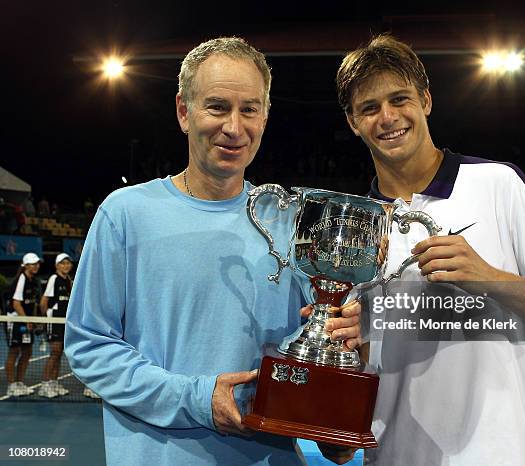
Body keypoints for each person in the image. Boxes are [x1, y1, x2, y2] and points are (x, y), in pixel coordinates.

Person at [64, 37, 360, 466]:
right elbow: (90, 346)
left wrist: (331, 411)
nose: (235, 127)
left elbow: (314, 344)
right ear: (184, 111)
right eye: (217, 107)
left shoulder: (292, 221)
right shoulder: (125, 213)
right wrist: (199, 398)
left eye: (250, 109)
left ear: (266, 116)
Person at [335, 34, 525, 465]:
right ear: (352, 122)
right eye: (369, 108)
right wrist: (344, 354)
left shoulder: (498, 184)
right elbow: (340, 447)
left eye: (400, 99)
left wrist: (489, 277)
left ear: (427, 100)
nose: (388, 117)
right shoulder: (353, 231)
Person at [4, 252, 42, 397]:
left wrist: (35, 320)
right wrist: (27, 320)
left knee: (27, 352)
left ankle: (19, 382)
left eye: (37, 263)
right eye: (32, 264)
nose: (36, 266)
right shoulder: (21, 278)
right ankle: (11, 385)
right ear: (25, 265)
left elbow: (32, 304)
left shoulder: (33, 281)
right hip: (14, 320)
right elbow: (16, 303)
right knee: (14, 352)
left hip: (26, 320)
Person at [38, 253, 73, 398]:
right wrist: (47, 320)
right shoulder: (54, 279)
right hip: (54, 321)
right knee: (55, 352)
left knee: (59, 354)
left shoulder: (68, 280)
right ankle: (45, 385)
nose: (66, 266)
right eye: (62, 263)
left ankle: (54, 382)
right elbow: (43, 302)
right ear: (57, 266)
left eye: (68, 263)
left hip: (64, 322)